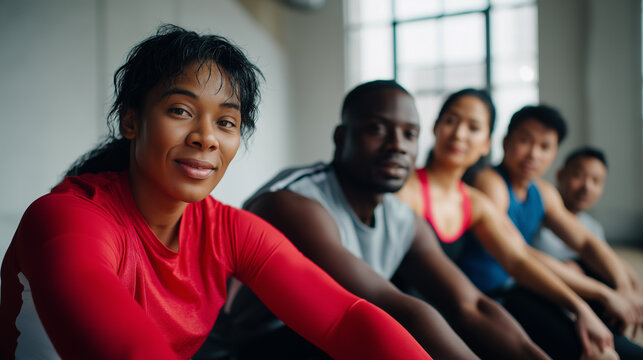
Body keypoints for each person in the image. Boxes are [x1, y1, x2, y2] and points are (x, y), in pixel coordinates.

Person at [0, 26, 432, 360]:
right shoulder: (67, 217)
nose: (206, 138)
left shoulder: (228, 229)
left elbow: (343, 319)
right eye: (181, 111)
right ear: (130, 121)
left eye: (226, 122)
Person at [221, 80, 556, 360]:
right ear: (341, 138)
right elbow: (395, 310)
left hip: (336, 336)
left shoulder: (400, 217)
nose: (397, 145)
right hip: (259, 345)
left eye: (410, 134)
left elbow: (472, 305)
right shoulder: (294, 202)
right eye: (377, 130)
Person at [395, 89, 625, 359]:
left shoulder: (475, 203)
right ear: (435, 127)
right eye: (451, 121)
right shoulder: (406, 191)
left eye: (473, 127)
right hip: (413, 317)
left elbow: (517, 258)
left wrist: (581, 306)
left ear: (486, 143)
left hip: (465, 306)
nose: (459, 134)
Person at [469, 105, 643, 359]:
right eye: (525, 141)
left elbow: (586, 241)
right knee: (584, 341)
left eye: (545, 147)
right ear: (506, 142)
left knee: (610, 327)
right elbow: (519, 256)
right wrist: (598, 295)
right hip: (496, 294)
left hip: (525, 285)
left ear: (554, 154)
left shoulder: (543, 192)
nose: (533, 154)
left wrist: (625, 286)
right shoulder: (491, 183)